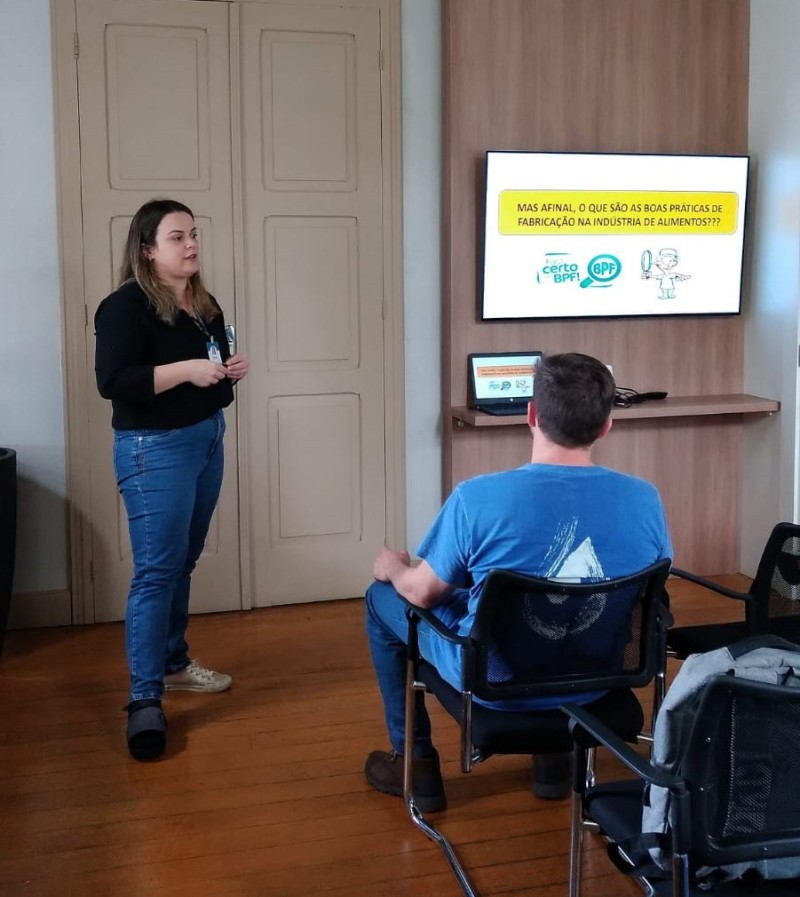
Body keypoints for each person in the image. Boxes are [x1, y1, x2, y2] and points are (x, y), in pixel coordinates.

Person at [363, 353, 672, 810]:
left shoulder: (477, 499)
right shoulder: (645, 501)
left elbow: (422, 593)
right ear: (607, 425)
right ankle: (551, 761)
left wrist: (393, 568)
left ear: (531, 415)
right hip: (598, 678)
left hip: (496, 683)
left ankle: (417, 764)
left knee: (381, 598)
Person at [94, 198, 249, 761]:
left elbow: (216, 378)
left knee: (182, 559)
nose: (191, 245)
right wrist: (187, 370)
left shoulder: (203, 303)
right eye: (177, 237)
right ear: (147, 250)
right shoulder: (123, 307)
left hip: (206, 439)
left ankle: (173, 664)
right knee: (156, 572)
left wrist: (229, 372)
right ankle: (144, 700)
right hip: (153, 449)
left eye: (194, 234)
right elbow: (113, 381)